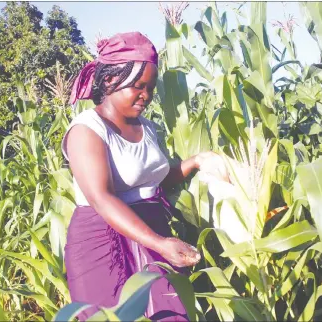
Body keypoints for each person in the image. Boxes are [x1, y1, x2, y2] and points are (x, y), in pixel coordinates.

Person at [62, 31, 229, 321]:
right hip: (102, 241)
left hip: (151, 229)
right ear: (111, 80)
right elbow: (101, 198)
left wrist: (196, 161)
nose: (146, 96)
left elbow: (153, 179)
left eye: (151, 88)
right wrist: (159, 243)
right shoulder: (87, 130)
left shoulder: (147, 128)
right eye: (139, 87)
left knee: (168, 313)